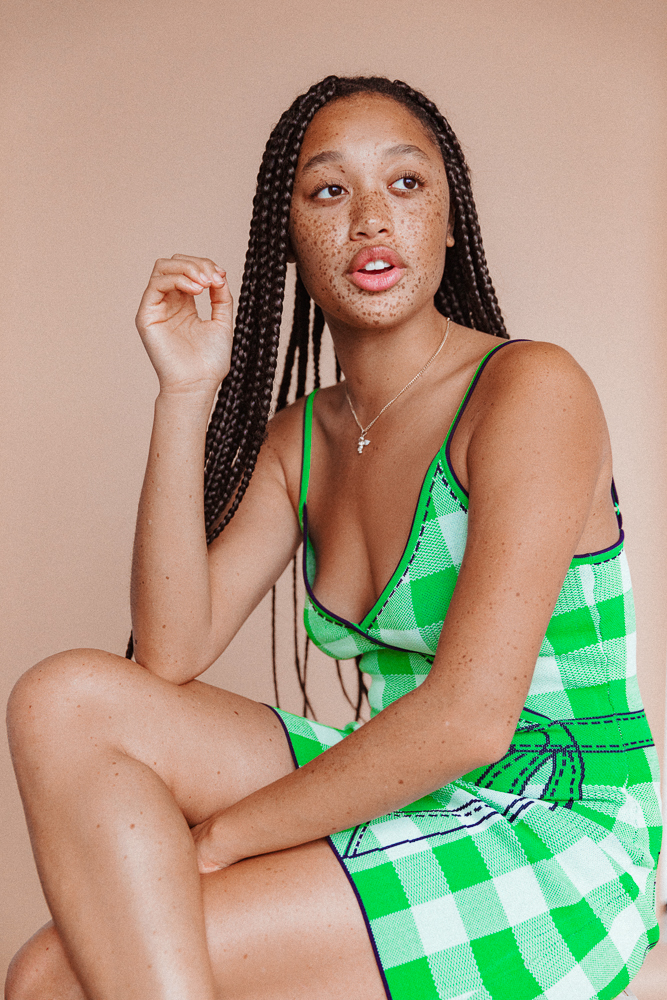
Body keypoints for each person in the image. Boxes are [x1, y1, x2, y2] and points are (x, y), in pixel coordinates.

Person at [5, 75, 659, 1000]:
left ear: (449, 221)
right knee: (63, 697)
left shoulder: (529, 390)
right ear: (288, 233)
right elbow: (168, 654)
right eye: (327, 191)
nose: (369, 219)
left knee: (49, 976)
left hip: (553, 818)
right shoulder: (300, 441)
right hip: (408, 787)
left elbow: (472, 720)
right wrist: (185, 393)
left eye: (405, 183)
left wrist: (223, 839)